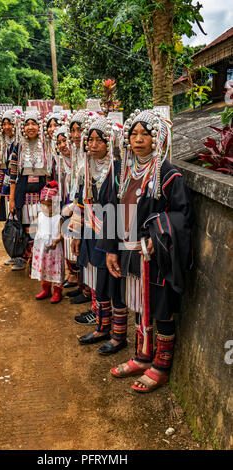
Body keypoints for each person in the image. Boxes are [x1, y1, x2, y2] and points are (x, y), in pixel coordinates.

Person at [97, 109, 193, 391]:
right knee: (140, 305)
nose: (138, 139)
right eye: (134, 134)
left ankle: (161, 366)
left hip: (155, 255)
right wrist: (111, 250)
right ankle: (142, 356)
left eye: (145, 134)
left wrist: (158, 233)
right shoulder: (124, 172)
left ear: (157, 139)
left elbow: (182, 214)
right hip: (128, 252)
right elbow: (113, 211)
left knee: (160, 309)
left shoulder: (168, 174)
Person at [72, 116, 129, 355]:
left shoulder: (117, 170)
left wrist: (112, 246)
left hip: (112, 236)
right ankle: (102, 326)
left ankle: (119, 335)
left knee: (114, 285)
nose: (94, 145)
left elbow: (120, 208)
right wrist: (76, 232)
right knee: (99, 284)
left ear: (110, 142)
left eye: (100, 140)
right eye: (90, 140)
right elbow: (82, 201)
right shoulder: (88, 168)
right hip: (92, 232)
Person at [9, 110, 48, 271]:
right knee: (26, 226)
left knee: (41, 227)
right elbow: (12, 175)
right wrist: (11, 199)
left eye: (34, 124)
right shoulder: (18, 148)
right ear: (23, 127)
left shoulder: (47, 147)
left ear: (39, 126)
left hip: (42, 195)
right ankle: (26, 257)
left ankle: (41, 259)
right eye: (27, 124)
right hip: (24, 196)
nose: (30, 127)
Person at [64, 110, 95, 309]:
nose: (76, 135)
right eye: (73, 130)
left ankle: (91, 298)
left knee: (88, 251)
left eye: (80, 130)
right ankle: (84, 288)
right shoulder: (77, 153)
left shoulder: (92, 156)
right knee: (80, 248)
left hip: (92, 212)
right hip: (79, 206)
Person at [31, 181, 64, 304]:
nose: (45, 208)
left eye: (48, 205)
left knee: (55, 269)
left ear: (55, 204)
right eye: (43, 205)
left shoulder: (58, 218)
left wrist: (56, 240)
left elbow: (62, 234)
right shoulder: (40, 216)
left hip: (55, 250)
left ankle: (57, 291)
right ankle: (45, 289)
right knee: (43, 268)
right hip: (42, 250)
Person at [0, 109, 19, 265]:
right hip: (6, 187)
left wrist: (12, 193)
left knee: (18, 221)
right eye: (4, 124)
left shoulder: (19, 143)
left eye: (10, 123)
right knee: (9, 222)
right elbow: (2, 167)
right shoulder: (5, 144)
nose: (7, 127)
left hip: (15, 187)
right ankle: (13, 253)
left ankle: (21, 255)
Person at [55, 125, 78, 289]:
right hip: (65, 206)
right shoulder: (60, 163)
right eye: (59, 142)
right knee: (67, 240)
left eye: (65, 140)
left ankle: (79, 279)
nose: (63, 145)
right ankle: (73, 274)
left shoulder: (81, 161)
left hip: (77, 207)